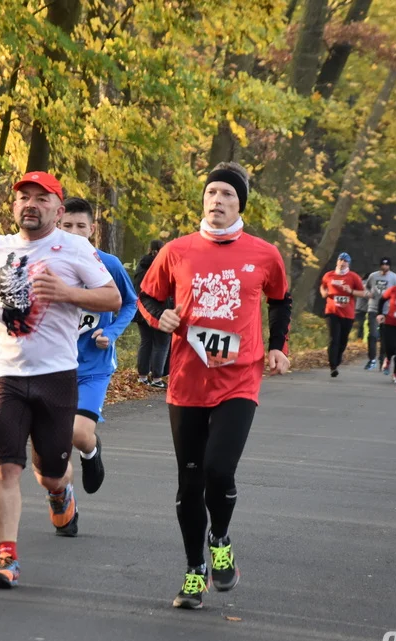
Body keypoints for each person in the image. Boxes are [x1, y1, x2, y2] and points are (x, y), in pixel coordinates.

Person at [138, 162, 291, 609]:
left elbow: (280, 300)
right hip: (187, 380)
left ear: (240, 203)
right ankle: (194, 571)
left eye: (227, 194)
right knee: (189, 484)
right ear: (203, 201)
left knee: (219, 470)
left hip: (239, 378)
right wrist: (158, 316)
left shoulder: (264, 254)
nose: (217, 200)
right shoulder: (177, 250)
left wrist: (278, 346)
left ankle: (220, 539)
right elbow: (147, 296)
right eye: (211, 193)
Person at [0, 171, 120, 589]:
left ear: (58, 207)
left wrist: (68, 294)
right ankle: (6, 557)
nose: (30, 204)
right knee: (6, 468)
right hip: (8, 375)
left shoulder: (75, 248)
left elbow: (112, 298)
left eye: (41, 198)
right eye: (23, 197)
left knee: (50, 471)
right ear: (13, 206)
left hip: (57, 376)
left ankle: (59, 493)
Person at [59, 197, 138, 495]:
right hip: (56, 365)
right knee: (54, 442)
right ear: (57, 225)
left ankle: (91, 452)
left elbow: (130, 302)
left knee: (79, 434)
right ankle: (62, 502)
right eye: (68, 226)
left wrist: (113, 331)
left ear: (92, 229)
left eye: (81, 226)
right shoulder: (49, 263)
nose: (75, 232)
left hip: (94, 366)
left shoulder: (108, 264)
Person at [320, 252, 366, 377]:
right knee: (334, 338)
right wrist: (324, 293)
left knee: (343, 340)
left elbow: (363, 293)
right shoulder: (329, 275)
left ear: (348, 263)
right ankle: (333, 365)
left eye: (345, 261)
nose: (342, 263)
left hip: (347, 313)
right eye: (340, 260)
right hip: (332, 311)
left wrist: (350, 291)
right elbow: (323, 286)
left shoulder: (353, 277)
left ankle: (338, 358)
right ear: (337, 262)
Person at [133, 240, 170, 388]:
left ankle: (142, 376)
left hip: (141, 309)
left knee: (146, 342)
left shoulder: (141, 266)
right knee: (161, 343)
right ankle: (156, 378)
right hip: (158, 310)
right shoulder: (160, 266)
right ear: (157, 251)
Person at [363, 257, 396, 370]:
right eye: (383, 265)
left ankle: (382, 359)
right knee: (373, 334)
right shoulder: (373, 276)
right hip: (373, 308)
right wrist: (368, 293)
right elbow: (367, 287)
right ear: (380, 266)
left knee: (385, 337)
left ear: (389, 266)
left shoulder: (394, 278)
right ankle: (372, 359)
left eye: (387, 265)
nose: (384, 267)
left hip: (387, 310)